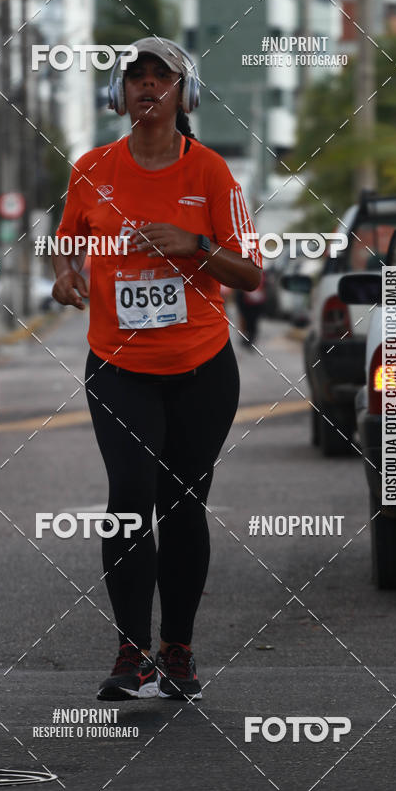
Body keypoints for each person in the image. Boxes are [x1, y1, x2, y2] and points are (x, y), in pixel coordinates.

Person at [51, 37, 262, 702]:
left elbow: (250, 272)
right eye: (135, 77)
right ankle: (131, 651)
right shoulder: (92, 169)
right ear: (119, 93)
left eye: (160, 77)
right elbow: (68, 240)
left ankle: (178, 649)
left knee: (182, 504)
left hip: (202, 368)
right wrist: (65, 274)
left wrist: (195, 246)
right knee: (127, 500)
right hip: (119, 367)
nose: (147, 86)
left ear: (184, 93)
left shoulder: (212, 174)